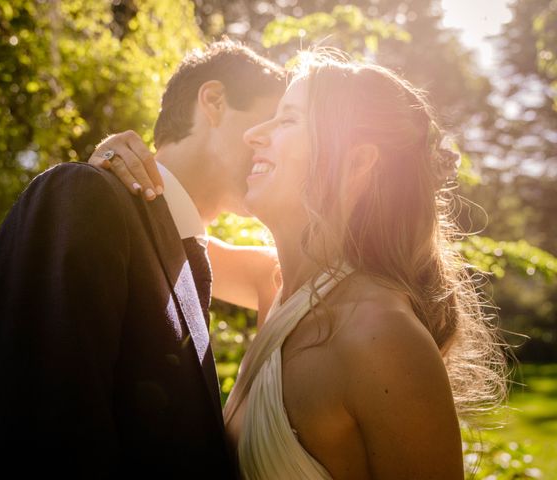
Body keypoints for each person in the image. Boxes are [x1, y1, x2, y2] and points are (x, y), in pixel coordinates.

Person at [101, 50, 508, 479]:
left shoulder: (379, 336)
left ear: (356, 163)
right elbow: (163, 229)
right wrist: (119, 168)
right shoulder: (273, 284)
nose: (255, 134)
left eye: (288, 120)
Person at [0, 39, 285, 479]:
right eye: (271, 123)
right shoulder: (83, 194)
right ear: (213, 101)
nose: (276, 145)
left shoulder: (190, 256)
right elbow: (42, 433)